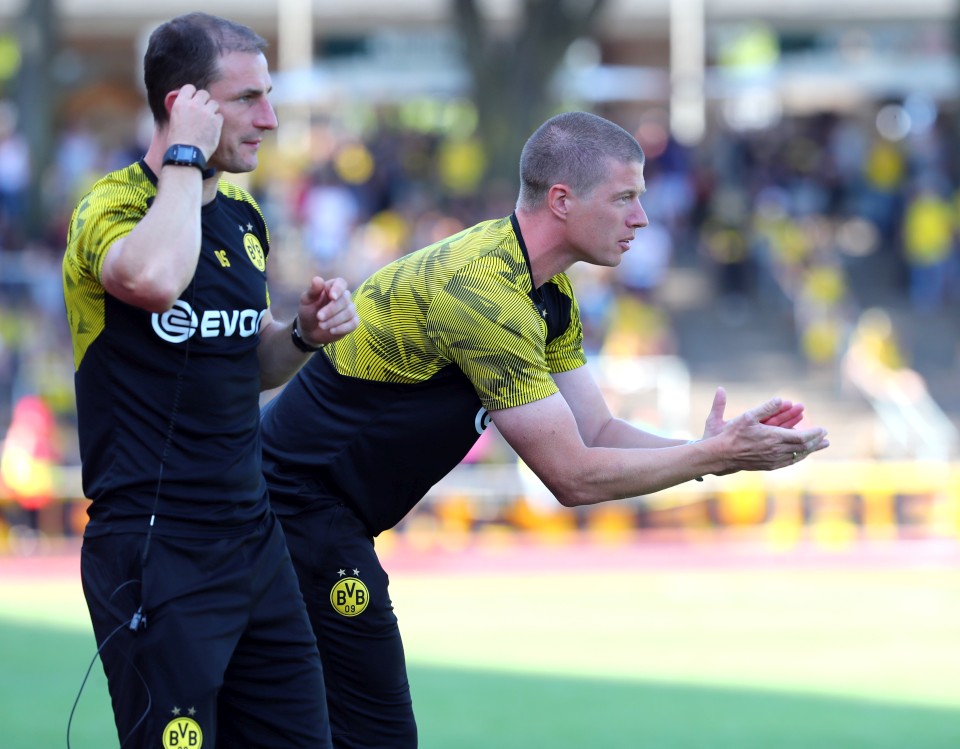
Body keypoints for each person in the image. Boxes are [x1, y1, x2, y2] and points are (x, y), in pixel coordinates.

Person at [259, 111, 830, 747]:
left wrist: (712, 450)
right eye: (624, 198)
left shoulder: (545, 290)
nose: (642, 217)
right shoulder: (482, 291)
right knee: (374, 735)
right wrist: (715, 457)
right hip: (291, 510)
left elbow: (598, 432)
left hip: (316, 514)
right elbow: (572, 477)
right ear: (561, 200)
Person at [61, 13, 358, 749]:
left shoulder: (244, 216)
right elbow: (155, 281)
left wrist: (301, 335)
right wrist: (185, 156)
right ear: (185, 104)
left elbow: (244, 362)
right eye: (247, 98)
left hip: (254, 541)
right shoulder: (111, 208)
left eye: (269, 95)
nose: (270, 118)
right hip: (155, 550)